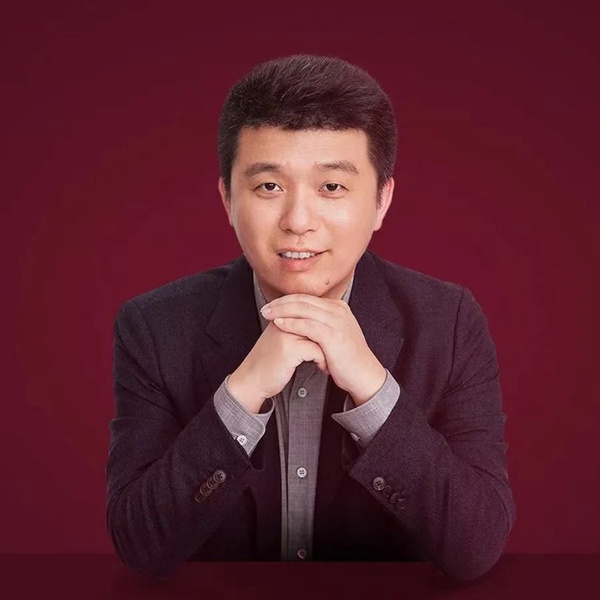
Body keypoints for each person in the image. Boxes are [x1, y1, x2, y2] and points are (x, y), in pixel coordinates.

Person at [106, 54, 515, 582]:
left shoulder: (450, 323)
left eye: (332, 187)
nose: (298, 221)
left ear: (382, 201)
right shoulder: (153, 327)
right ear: (227, 198)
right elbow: (140, 547)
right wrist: (241, 395)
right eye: (269, 187)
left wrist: (373, 390)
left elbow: (476, 547)